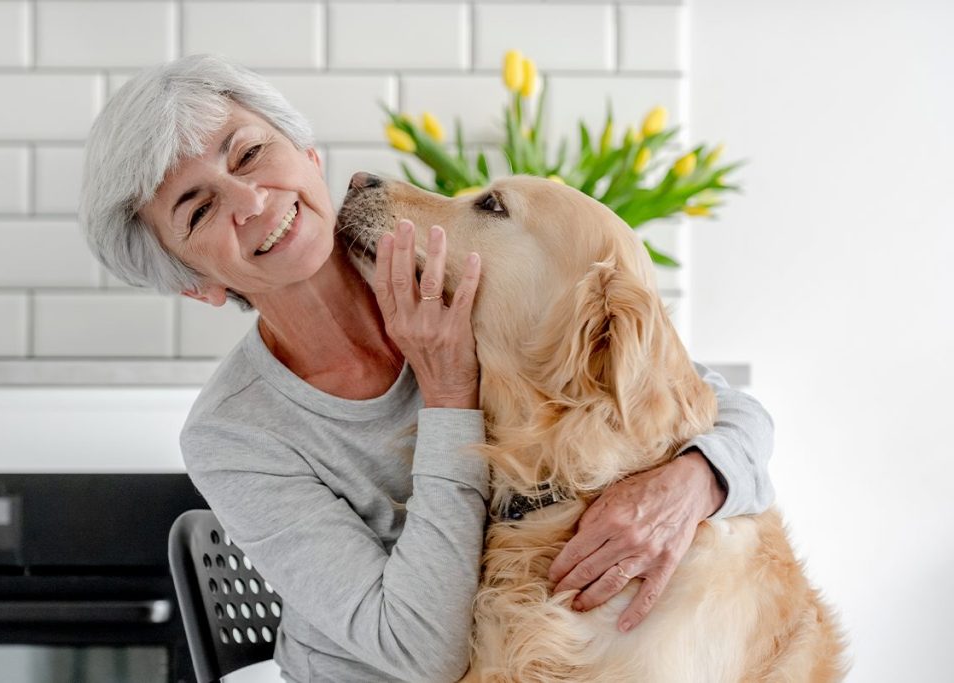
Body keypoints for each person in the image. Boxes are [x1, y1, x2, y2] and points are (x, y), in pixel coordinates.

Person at [80, 54, 775, 683]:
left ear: (307, 153)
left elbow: (699, 399)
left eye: (251, 153)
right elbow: (420, 651)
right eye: (199, 208)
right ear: (197, 281)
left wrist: (694, 480)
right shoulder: (233, 433)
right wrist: (447, 395)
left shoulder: (448, 268)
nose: (252, 200)